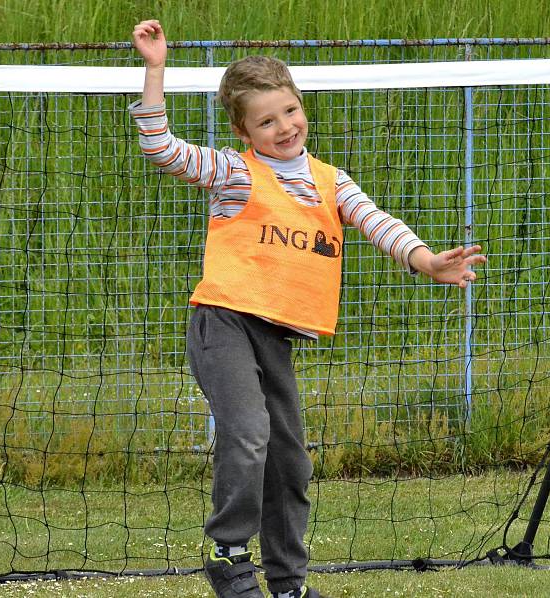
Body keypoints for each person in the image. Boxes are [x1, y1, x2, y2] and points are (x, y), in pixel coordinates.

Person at [131, 19, 486, 598]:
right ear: (244, 131)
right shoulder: (234, 172)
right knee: (246, 436)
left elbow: (377, 222)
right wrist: (155, 70)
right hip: (222, 323)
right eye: (266, 121)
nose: (284, 127)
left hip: (274, 336)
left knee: (290, 462)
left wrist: (425, 260)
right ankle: (228, 557)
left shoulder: (330, 181)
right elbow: (161, 149)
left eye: (290, 112)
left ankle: (289, 583)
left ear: (301, 106)